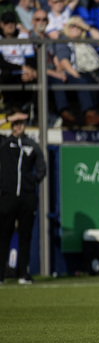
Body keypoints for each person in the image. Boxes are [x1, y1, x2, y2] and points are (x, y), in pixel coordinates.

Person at [0, 113, 46, 285]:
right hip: (8, 195)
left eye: (21, 123)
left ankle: (23, 273)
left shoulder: (31, 145)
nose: (18, 127)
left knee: (25, 236)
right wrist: (7, 119)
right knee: (4, 234)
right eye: (16, 124)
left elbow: (42, 167)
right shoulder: (4, 143)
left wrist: (32, 183)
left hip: (27, 196)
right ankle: (1, 274)